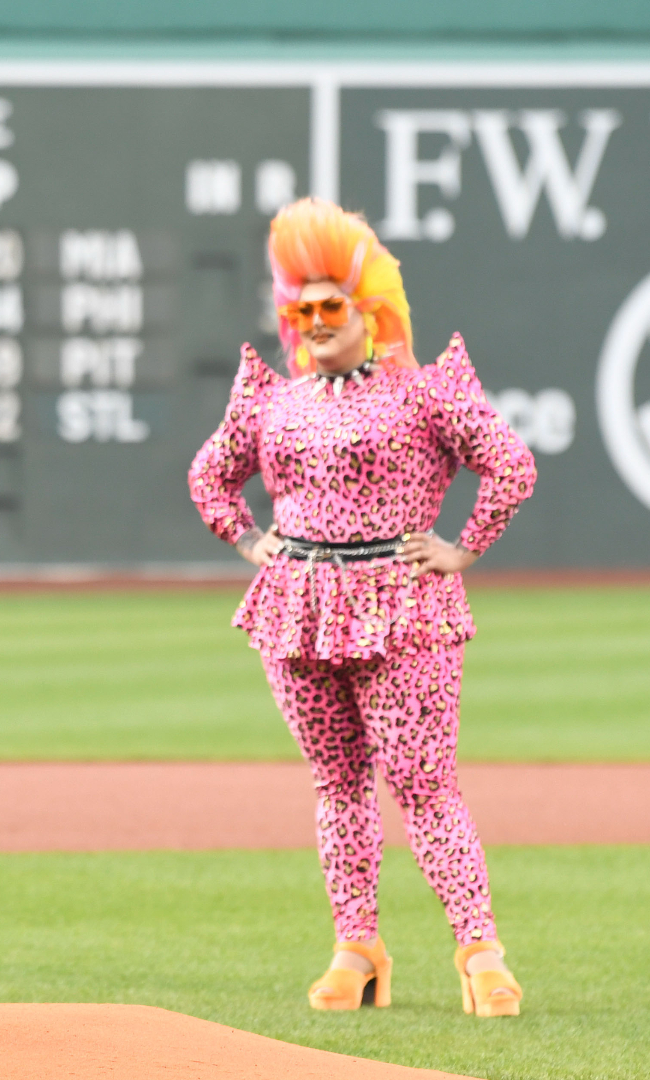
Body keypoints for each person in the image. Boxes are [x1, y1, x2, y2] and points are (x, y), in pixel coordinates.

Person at [187, 199, 536, 1017]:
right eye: (300, 308)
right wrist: (247, 540)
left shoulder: (425, 391)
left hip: (405, 605)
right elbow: (210, 474)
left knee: (423, 782)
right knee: (338, 783)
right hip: (297, 606)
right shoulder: (274, 399)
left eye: (329, 305)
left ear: (369, 308)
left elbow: (510, 465)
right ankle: (358, 947)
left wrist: (463, 548)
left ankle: (479, 947)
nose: (312, 322)